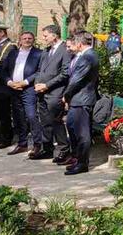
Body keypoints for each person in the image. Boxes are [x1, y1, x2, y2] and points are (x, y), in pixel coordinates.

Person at [33, 24, 73, 162]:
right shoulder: (46, 51)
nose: (43, 38)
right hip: (41, 92)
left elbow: (65, 73)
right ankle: (47, 148)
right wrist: (37, 84)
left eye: (45, 36)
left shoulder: (65, 50)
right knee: (45, 122)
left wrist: (46, 85)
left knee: (57, 123)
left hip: (55, 92)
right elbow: (40, 70)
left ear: (54, 35)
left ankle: (63, 150)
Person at [61, 29, 99, 176]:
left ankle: (83, 164)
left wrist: (66, 95)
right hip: (78, 99)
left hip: (82, 100)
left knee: (82, 133)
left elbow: (76, 80)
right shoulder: (86, 56)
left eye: (74, 43)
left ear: (79, 43)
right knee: (71, 126)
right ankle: (77, 159)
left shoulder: (88, 57)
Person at [4, 31, 44, 156]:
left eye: (30, 38)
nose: (27, 40)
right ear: (20, 40)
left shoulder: (39, 53)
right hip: (14, 89)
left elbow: (39, 71)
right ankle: (22, 144)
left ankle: (37, 144)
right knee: (18, 117)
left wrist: (25, 82)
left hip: (29, 89)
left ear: (33, 40)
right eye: (24, 38)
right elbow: (3, 71)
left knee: (31, 116)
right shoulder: (13, 53)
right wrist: (10, 82)